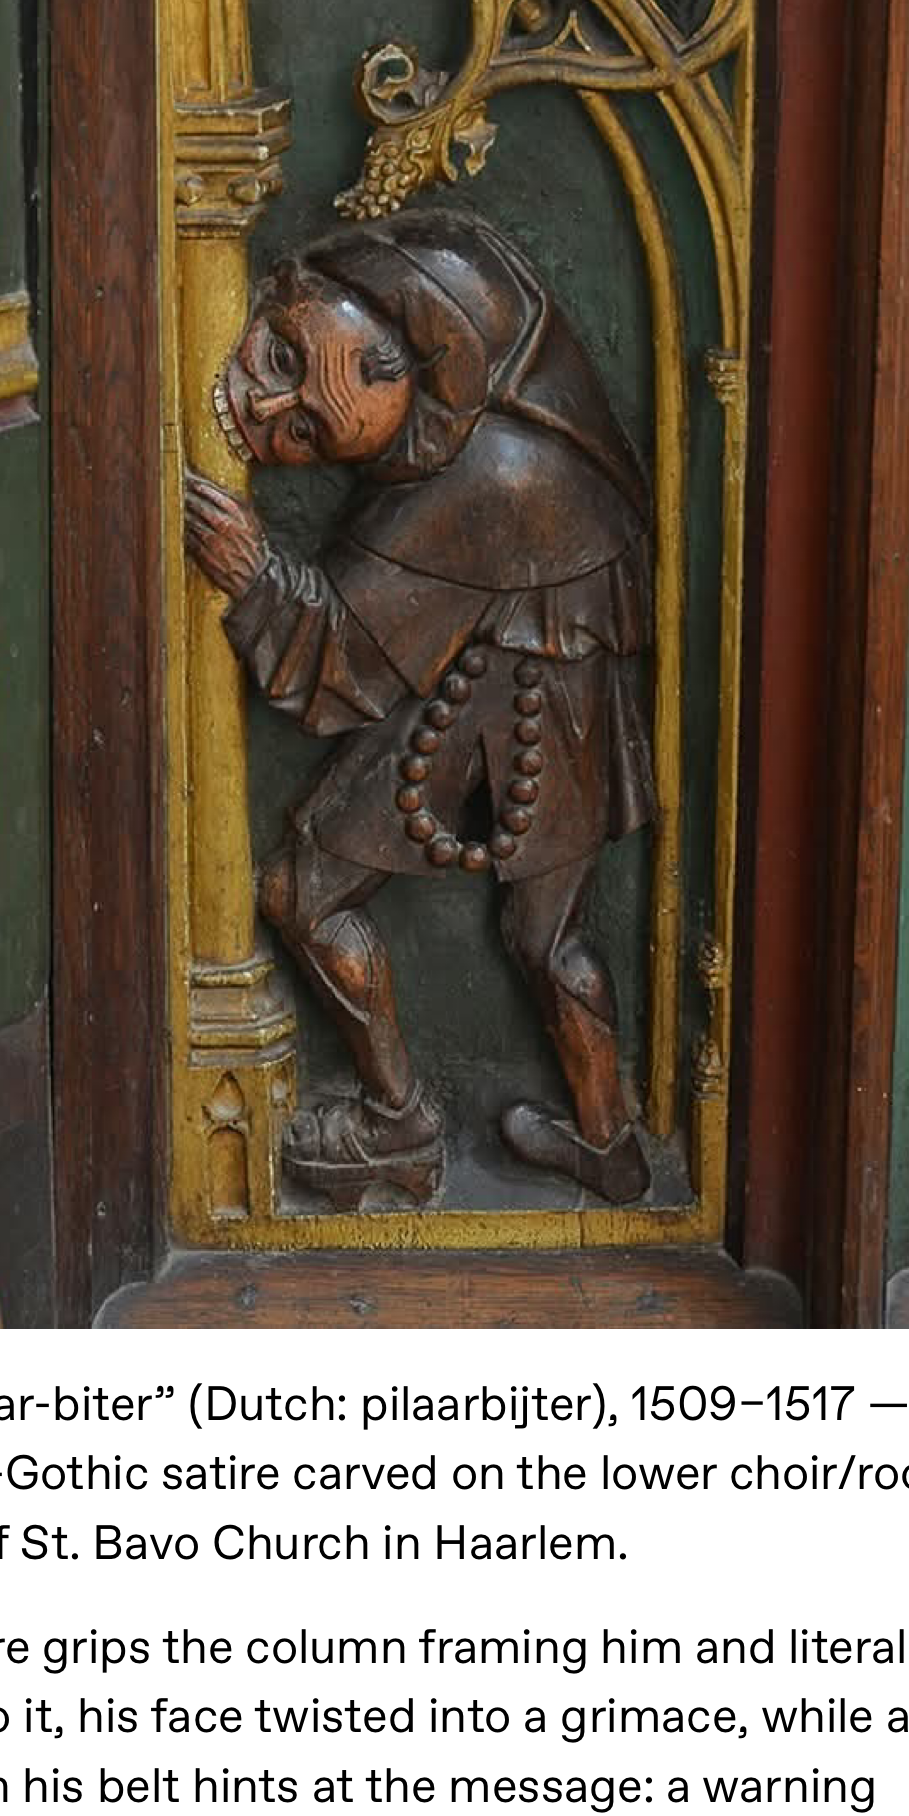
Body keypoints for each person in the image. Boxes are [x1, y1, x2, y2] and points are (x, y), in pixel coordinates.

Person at [185, 207, 655, 1210]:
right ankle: (607, 1140)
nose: (261, 412)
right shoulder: (493, 323)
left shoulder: (465, 485)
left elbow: (338, 663)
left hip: (518, 686)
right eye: (279, 354)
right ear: (310, 281)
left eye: (303, 430)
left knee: (304, 893)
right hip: (572, 667)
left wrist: (254, 574)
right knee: (546, 937)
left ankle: (398, 1121)